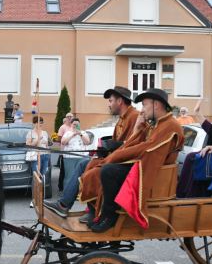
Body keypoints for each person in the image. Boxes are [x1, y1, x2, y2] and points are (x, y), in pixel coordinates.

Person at [78, 88, 183, 233]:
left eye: (144, 105)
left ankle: (110, 216)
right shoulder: (157, 123)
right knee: (96, 165)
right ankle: (99, 213)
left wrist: (115, 156)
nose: (142, 110)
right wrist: (138, 129)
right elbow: (135, 144)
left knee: (108, 171)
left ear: (156, 105)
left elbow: (147, 148)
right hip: (144, 164)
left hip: (153, 171)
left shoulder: (170, 125)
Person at [44, 86, 139, 223]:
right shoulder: (123, 118)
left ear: (119, 101)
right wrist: (107, 148)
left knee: (92, 171)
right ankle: (64, 204)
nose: (109, 104)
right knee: (83, 163)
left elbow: (133, 144)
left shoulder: (134, 117)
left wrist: (114, 146)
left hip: (123, 164)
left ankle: (94, 210)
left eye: (111, 101)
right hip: (115, 159)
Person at [60, 117, 91, 186]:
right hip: (70, 158)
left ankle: (80, 191)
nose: (76, 126)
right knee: (69, 176)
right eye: (74, 124)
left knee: (82, 175)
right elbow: (63, 142)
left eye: (77, 124)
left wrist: (80, 134)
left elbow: (87, 142)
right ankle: (68, 191)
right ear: (71, 124)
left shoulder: (83, 133)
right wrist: (73, 134)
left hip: (82, 157)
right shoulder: (68, 133)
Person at [25, 115, 51, 180]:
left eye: (42, 123)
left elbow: (48, 144)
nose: (40, 124)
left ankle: (43, 186)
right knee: (36, 175)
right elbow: (28, 145)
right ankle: (36, 186)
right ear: (35, 123)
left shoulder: (45, 133)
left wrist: (47, 144)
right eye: (39, 122)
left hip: (45, 155)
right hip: (36, 156)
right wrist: (37, 140)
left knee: (44, 175)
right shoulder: (30, 133)